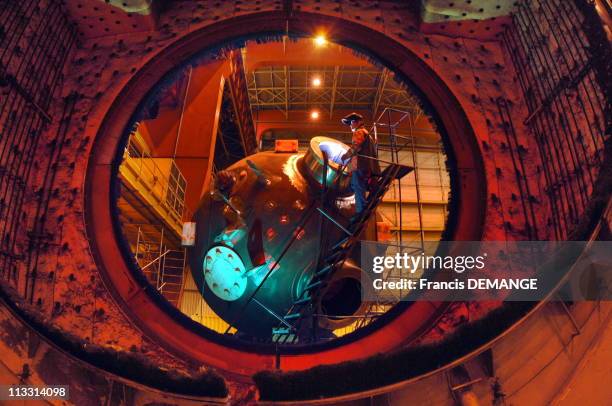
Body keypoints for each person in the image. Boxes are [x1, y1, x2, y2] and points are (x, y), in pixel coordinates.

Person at [340, 112, 381, 217]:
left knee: (358, 187)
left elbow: (355, 147)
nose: (350, 125)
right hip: (368, 166)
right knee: (356, 186)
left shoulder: (359, 132)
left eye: (351, 123)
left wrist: (344, 157)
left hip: (361, 166)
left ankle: (360, 212)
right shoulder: (367, 134)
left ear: (357, 122)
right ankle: (361, 208)